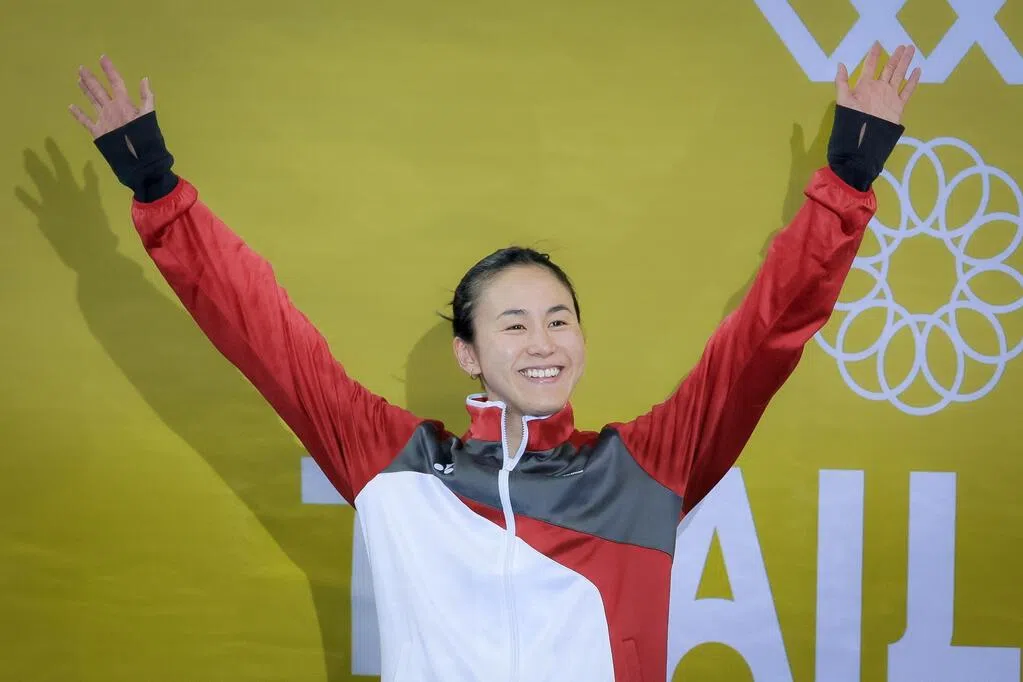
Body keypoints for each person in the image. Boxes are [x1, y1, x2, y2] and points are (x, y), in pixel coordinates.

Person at [70, 42, 920, 682]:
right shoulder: (397, 466)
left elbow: (762, 339)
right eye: (512, 325)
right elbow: (266, 337)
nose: (541, 342)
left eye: (558, 320)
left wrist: (845, 185)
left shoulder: (643, 470)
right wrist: (160, 194)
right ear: (467, 354)